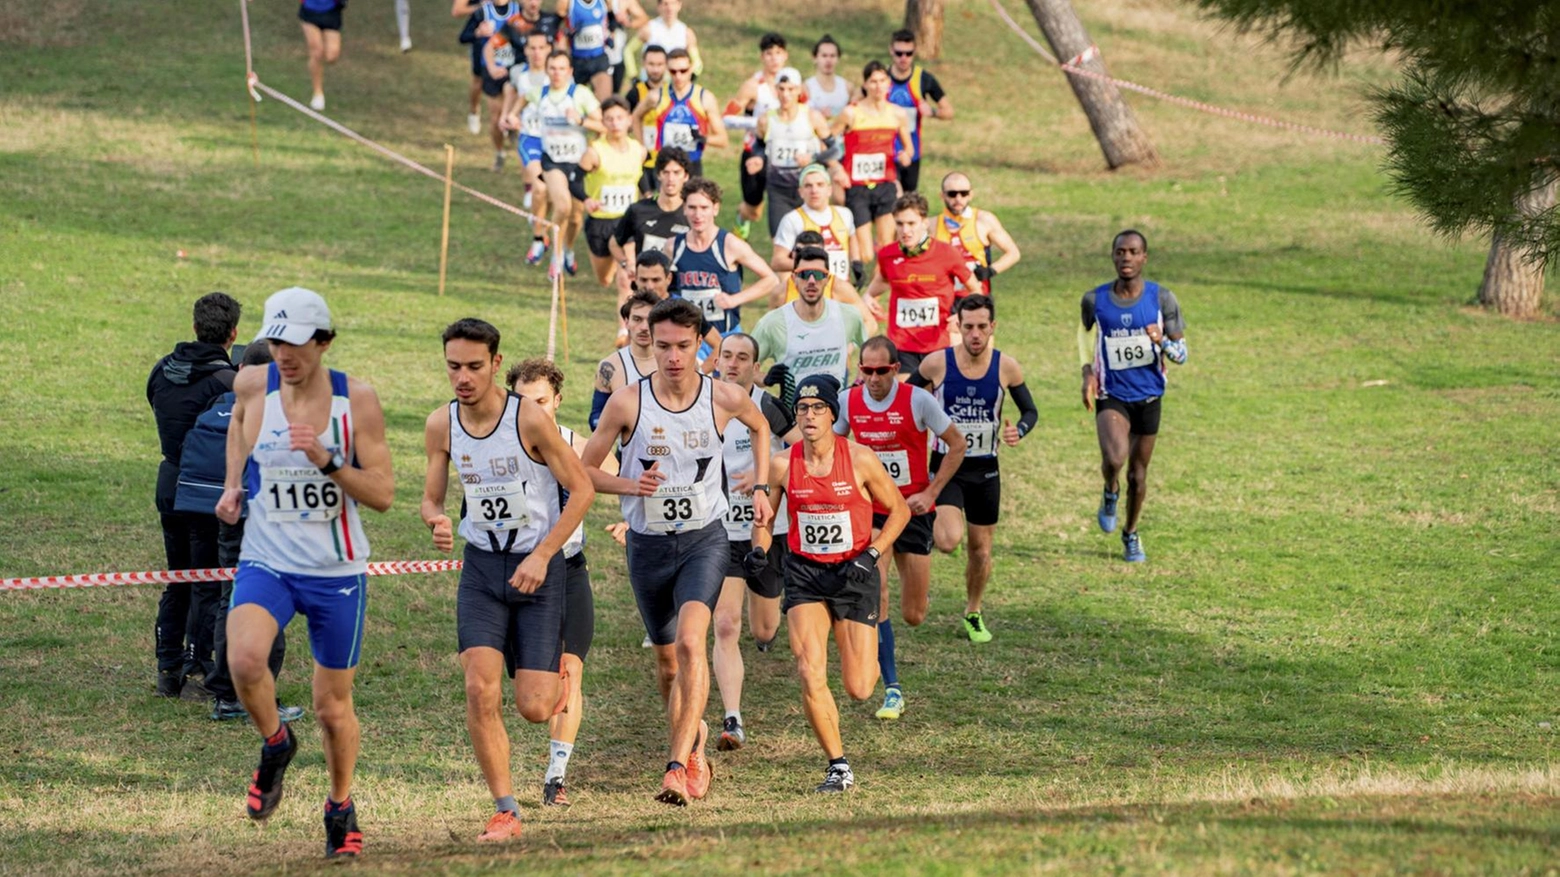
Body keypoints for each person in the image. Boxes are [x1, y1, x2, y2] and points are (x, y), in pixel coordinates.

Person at [215, 287, 395, 859]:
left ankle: (340, 805)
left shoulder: (356, 402)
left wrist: (328, 460)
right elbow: (239, 424)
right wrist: (233, 484)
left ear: (324, 342)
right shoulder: (253, 383)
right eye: (275, 342)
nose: (284, 355)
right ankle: (275, 745)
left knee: (331, 708)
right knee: (243, 660)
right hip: (268, 558)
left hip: (335, 570)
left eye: (294, 344)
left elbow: (385, 494)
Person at [581, 298, 775, 806]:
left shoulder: (724, 396)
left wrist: (759, 486)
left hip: (703, 541)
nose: (671, 356)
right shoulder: (627, 402)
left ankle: (679, 764)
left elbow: (761, 427)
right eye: (663, 345)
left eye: (683, 346)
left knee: (693, 643)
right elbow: (584, 470)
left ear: (700, 346)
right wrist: (629, 484)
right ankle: (695, 743)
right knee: (669, 664)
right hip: (647, 546)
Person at [420, 319, 594, 841]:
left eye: (474, 366)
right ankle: (506, 809)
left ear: (496, 364)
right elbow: (431, 495)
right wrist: (437, 517)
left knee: (535, 708)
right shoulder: (441, 424)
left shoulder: (530, 421)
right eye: (454, 366)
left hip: (539, 568)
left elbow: (581, 489)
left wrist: (544, 555)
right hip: (481, 568)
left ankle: (560, 672)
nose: (463, 377)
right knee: (479, 688)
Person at [748, 373, 909, 792]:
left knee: (859, 687)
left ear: (833, 414)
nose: (809, 415)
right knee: (808, 669)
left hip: (854, 573)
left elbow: (899, 512)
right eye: (802, 408)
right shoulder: (784, 464)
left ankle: (867, 651)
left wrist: (872, 554)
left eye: (818, 408)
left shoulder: (859, 459)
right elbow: (765, 520)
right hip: (805, 575)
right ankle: (838, 765)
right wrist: (760, 550)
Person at [835, 336, 965, 721]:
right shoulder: (848, 400)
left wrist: (932, 492)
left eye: (881, 371)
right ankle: (892, 688)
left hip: (913, 510)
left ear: (895, 369)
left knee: (914, 614)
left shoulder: (918, 401)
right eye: (866, 371)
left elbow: (956, 445)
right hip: (875, 512)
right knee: (879, 595)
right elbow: (836, 446)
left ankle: (893, 654)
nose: (873, 379)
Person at [177, 343, 304, 724]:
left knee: (230, 602)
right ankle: (251, 696)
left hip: (227, 517)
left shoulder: (222, 403)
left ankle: (227, 693)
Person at [505, 358, 609, 807]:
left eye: (542, 402)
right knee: (532, 698)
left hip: (567, 571)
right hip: (513, 576)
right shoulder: (498, 446)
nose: (534, 411)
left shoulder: (575, 444)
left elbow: (621, 473)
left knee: (572, 671)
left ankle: (556, 776)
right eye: (524, 402)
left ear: (558, 402)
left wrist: (633, 518)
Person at [908, 295, 1037, 643]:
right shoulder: (937, 364)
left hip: (986, 471)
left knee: (980, 551)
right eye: (968, 327)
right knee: (948, 541)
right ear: (958, 327)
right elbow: (904, 398)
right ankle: (919, 558)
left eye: (982, 327)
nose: (975, 334)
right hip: (947, 468)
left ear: (992, 327)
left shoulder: (1006, 367)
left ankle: (973, 610)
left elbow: (1030, 412)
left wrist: (1018, 431)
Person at [148, 292, 241, 699]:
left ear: (194, 327)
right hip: (205, 490)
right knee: (206, 582)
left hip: (169, 482)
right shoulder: (227, 382)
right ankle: (199, 667)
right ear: (233, 332)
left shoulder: (160, 371)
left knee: (176, 578)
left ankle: (167, 669)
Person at [709, 333, 797, 750]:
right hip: (720, 531)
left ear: (754, 366)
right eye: (726, 355)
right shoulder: (701, 399)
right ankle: (733, 718)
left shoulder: (766, 406)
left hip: (766, 529)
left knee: (763, 627)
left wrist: (765, 477)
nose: (733, 363)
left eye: (743, 358)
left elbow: (804, 450)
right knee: (725, 623)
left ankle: (764, 634)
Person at [1080, 230, 1187, 563]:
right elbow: (1084, 337)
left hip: (1150, 395)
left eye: (1133, 252)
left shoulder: (1161, 299)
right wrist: (1087, 372)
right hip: (1112, 393)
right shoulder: (1094, 300)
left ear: (1144, 258)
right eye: (1120, 252)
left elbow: (1181, 354)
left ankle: (1130, 533)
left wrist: (1162, 343)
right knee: (1115, 458)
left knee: (1138, 475)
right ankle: (1110, 489)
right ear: (1113, 256)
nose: (1126, 258)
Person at [504, 50, 605, 280]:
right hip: (552, 162)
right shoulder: (539, 93)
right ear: (547, 71)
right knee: (563, 206)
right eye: (552, 68)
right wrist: (512, 115)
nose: (557, 73)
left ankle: (568, 248)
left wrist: (580, 120)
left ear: (570, 71)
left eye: (561, 69)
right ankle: (556, 255)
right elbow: (523, 98)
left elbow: (602, 126)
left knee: (577, 217)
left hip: (578, 164)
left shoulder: (580, 94)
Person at [862, 192, 973, 377]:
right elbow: (881, 280)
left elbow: (976, 289)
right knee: (907, 400)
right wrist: (867, 296)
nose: (905, 230)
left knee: (934, 401)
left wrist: (962, 315)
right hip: (901, 344)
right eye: (899, 224)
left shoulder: (947, 254)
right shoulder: (888, 255)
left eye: (911, 223)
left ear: (924, 222)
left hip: (938, 344)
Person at [753, 246, 867, 409]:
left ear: (828, 279)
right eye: (804, 275)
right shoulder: (773, 323)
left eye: (819, 275)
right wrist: (765, 379)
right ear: (794, 279)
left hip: (835, 416)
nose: (812, 281)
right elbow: (743, 369)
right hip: (794, 420)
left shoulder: (848, 316)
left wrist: (857, 384)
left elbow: (871, 356)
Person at [667, 177, 778, 342]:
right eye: (692, 207)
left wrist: (735, 299)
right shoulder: (672, 247)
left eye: (704, 208)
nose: (698, 215)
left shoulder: (729, 245)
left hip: (724, 336)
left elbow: (771, 279)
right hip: (688, 339)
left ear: (715, 209)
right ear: (684, 208)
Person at [832, 61, 914, 260]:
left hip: (885, 183)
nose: (878, 86)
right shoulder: (851, 113)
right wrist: (836, 168)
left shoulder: (897, 113)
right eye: (873, 81)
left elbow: (909, 148)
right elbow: (827, 142)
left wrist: (906, 156)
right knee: (866, 253)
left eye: (882, 81)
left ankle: (877, 291)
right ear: (866, 84)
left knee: (886, 245)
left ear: (889, 84)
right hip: (857, 185)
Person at [725, 32, 792, 240]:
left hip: (782, 154)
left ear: (785, 56)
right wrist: (760, 123)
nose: (774, 58)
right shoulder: (753, 86)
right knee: (754, 211)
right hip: (754, 151)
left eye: (778, 53)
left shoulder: (793, 85)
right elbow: (727, 117)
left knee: (783, 205)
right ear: (762, 57)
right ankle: (741, 216)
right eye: (769, 53)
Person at [750, 67, 831, 237]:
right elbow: (757, 145)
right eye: (781, 89)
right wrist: (757, 158)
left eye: (791, 89)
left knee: (812, 242)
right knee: (780, 242)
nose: (785, 94)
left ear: (799, 90)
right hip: (778, 189)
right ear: (775, 90)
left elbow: (837, 150)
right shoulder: (766, 119)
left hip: (809, 189)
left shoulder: (812, 117)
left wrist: (813, 158)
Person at [578, 97, 649, 294]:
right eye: (609, 119)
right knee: (604, 279)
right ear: (603, 122)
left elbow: (640, 175)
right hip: (600, 222)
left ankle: (624, 325)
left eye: (619, 118)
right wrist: (586, 199)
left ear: (629, 119)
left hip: (628, 221)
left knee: (626, 278)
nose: (615, 123)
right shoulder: (594, 152)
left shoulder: (639, 150)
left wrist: (649, 194)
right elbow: (574, 180)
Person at [610, 147, 691, 317]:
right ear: (658, 175)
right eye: (666, 172)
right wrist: (627, 264)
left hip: (680, 293)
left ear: (686, 176)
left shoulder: (692, 213)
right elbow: (614, 242)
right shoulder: (639, 210)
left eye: (677, 173)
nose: (671, 179)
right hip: (647, 294)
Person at [504, 29, 558, 263]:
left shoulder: (557, 75)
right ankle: (538, 239)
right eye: (532, 48)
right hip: (531, 138)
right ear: (525, 50)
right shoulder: (520, 75)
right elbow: (514, 102)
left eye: (541, 48)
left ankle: (555, 243)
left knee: (557, 196)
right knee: (540, 188)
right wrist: (511, 117)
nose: (537, 53)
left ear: (549, 50)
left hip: (556, 140)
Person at [632, 49, 726, 181]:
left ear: (691, 68)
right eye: (673, 71)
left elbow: (722, 139)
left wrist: (702, 138)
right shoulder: (656, 96)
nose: (678, 76)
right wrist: (642, 147)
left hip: (692, 164)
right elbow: (636, 116)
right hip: (665, 166)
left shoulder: (704, 98)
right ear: (667, 70)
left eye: (683, 71)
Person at [885, 28, 952, 195]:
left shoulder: (923, 79)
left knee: (908, 199)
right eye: (899, 53)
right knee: (890, 198)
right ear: (891, 51)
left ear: (914, 52)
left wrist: (933, 112)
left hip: (912, 151)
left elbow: (949, 111)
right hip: (885, 150)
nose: (903, 58)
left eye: (908, 54)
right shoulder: (881, 78)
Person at [771, 164, 860, 286]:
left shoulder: (844, 214)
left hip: (840, 290)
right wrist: (810, 264)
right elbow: (777, 262)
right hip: (811, 291)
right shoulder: (792, 219)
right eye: (808, 186)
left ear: (829, 190)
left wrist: (856, 263)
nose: (814, 190)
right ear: (801, 192)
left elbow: (851, 237)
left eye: (820, 184)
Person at [934, 172, 1021, 295]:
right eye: (952, 194)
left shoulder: (984, 220)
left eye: (964, 194)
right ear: (942, 196)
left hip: (978, 299)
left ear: (971, 195)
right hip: (945, 300)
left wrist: (990, 271)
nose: (958, 199)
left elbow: (1013, 253)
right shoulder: (931, 225)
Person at [590, 288, 660, 430]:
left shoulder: (675, 362)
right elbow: (595, 419)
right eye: (637, 319)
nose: (644, 327)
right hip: (627, 450)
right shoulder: (610, 366)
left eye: (651, 320)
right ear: (626, 322)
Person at [456, 0, 520, 135]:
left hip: (512, 64)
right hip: (485, 63)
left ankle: (508, 127)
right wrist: (477, 33)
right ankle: (474, 112)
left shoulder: (518, 9)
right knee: (477, 84)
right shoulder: (482, 12)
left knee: (510, 94)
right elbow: (463, 37)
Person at [625, 44, 669, 193]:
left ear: (666, 65)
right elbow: (624, 124)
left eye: (659, 64)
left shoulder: (673, 92)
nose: (655, 69)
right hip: (643, 158)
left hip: (668, 159)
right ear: (644, 64)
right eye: (651, 64)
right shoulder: (635, 93)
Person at [559, 0, 615, 100]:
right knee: (576, 101)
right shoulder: (567, 3)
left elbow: (612, 20)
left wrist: (610, 35)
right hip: (577, 60)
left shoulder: (604, 2)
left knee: (605, 100)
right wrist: (569, 32)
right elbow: (557, 27)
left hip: (598, 58)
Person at [299, 0, 346, 111]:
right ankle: (318, 93)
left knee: (332, 56)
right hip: (309, 10)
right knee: (316, 52)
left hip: (331, 11)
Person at [636, 0, 701, 74]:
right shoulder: (648, 29)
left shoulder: (686, 33)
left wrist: (689, 76)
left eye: (673, 3)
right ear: (659, 6)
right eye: (665, 4)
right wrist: (633, 75)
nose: (669, 8)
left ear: (679, 5)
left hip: (674, 82)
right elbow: (628, 51)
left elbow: (697, 63)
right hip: (650, 81)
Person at [804, 35, 850, 120]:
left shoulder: (847, 87)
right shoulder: (806, 88)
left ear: (838, 59)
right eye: (824, 56)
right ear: (815, 58)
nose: (828, 60)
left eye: (832, 56)